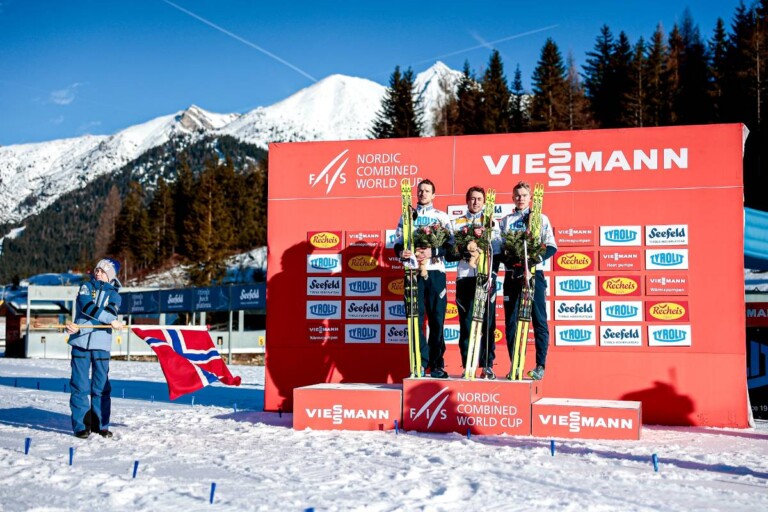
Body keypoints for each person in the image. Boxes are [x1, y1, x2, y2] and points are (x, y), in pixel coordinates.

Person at [497, 181, 557, 380]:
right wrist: (512, 259)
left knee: (538, 319)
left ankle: (540, 365)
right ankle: (516, 365)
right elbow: (499, 249)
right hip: (512, 275)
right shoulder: (505, 221)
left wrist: (533, 259)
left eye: (524, 195)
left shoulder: (540, 218)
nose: (520, 198)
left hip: (534, 274)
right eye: (517, 195)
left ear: (530, 197)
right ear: (512, 197)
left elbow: (551, 246)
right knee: (511, 321)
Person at [394, 179, 453, 379]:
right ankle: (419, 362)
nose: (422, 194)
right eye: (420, 191)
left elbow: (451, 247)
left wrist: (432, 250)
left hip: (435, 272)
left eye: (427, 191)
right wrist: (401, 253)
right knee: (415, 319)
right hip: (412, 273)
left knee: (437, 320)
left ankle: (437, 365)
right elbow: (398, 243)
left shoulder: (441, 217)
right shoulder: (406, 216)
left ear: (433, 195)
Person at [66, 258, 124, 438]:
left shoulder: (115, 295)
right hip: (80, 344)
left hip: (101, 346)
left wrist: (111, 318)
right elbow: (86, 307)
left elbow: (112, 311)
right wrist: (77, 325)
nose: (98, 273)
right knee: (80, 386)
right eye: (97, 269)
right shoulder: (86, 287)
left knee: (101, 387)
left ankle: (101, 425)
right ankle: (82, 426)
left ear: (110, 275)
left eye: (102, 271)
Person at [449, 186, 500, 379]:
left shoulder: (491, 222)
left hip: (486, 276)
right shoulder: (458, 222)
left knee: (488, 323)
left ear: (484, 201)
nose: (475, 202)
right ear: (467, 200)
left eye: (479, 199)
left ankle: (487, 365)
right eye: (472, 199)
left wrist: (490, 271)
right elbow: (451, 253)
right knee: (467, 323)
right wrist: (465, 252)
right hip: (465, 277)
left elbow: (498, 250)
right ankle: (467, 365)